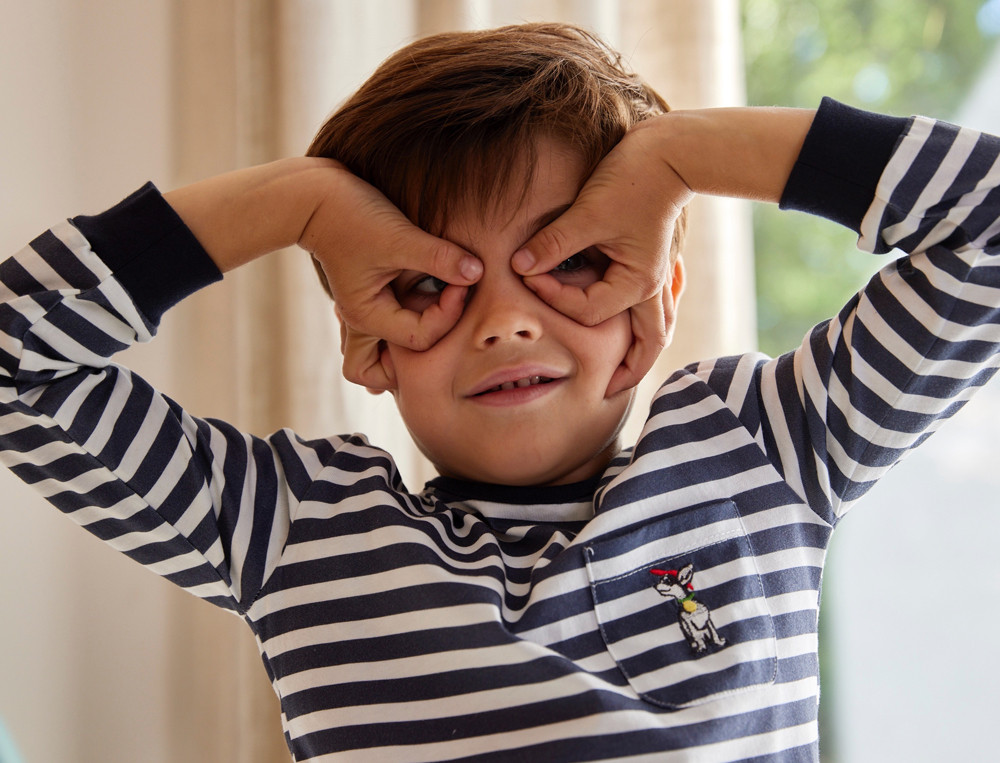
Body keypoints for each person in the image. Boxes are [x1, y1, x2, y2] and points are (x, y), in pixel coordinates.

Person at [0, 20, 997, 762]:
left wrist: (683, 153)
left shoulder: (760, 454)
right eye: (428, 284)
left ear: (654, 296)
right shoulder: (297, 531)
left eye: (568, 261)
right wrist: (292, 202)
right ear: (364, 338)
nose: (503, 321)